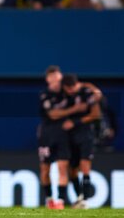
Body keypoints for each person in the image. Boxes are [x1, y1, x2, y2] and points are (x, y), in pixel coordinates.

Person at [38, 66, 88, 209]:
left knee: (63, 167)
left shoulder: (68, 93)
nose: (56, 82)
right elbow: (53, 114)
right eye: (53, 79)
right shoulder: (45, 95)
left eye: (58, 79)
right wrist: (74, 109)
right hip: (46, 135)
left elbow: (86, 93)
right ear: (48, 80)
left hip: (63, 135)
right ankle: (49, 199)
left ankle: (60, 201)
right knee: (45, 169)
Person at [62, 74, 102, 209]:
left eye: (73, 87)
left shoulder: (87, 92)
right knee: (71, 169)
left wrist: (75, 122)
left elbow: (96, 114)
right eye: (69, 88)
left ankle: (85, 200)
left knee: (85, 165)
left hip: (85, 134)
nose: (71, 91)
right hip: (70, 136)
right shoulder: (64, 95)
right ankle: (79, 196)